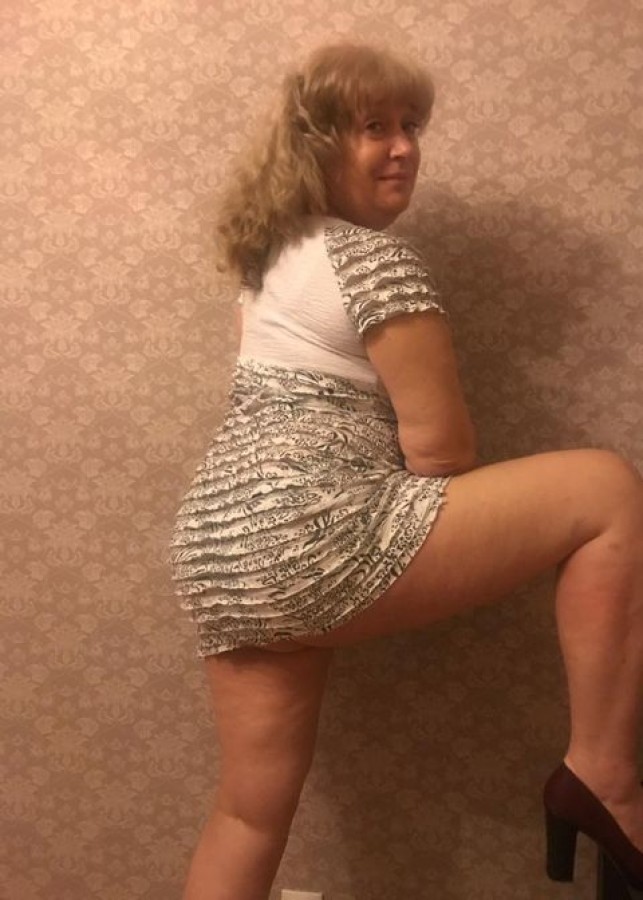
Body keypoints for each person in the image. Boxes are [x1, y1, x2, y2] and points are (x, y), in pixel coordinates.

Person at [169, 42, 643, 900]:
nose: (402, 148)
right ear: (317, 144)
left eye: (411, 126)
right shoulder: (371, 259)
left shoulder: (265, 267)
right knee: (605, 487)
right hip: (306, 534)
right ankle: (603, 778)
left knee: (247, 813)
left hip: (217, 550)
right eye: (373, 127)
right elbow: (440, 452)